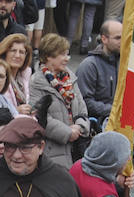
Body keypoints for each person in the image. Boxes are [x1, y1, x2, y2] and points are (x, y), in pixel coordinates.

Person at [29, 34, 90, 168]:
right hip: (52, 151)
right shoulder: (36, 82)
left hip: (77, 147)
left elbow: (82, 109)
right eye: (62, 54)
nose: (67, 59)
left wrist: (79, 127)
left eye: (67, 54)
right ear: (48, 56)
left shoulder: (70, 78)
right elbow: (40, 116)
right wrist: (67, 133)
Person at [69, 131, 132, 197]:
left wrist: (117, 183)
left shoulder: (78, 166)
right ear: (113, 159)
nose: (129, 158)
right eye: (125, 155)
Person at [76, 20, 122, 127]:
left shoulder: (125, 64)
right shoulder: (89, 65)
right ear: (104, 39)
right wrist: (116, 111)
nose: (122, 41)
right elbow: (84, 102)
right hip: (97, 123)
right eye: (117, 38)